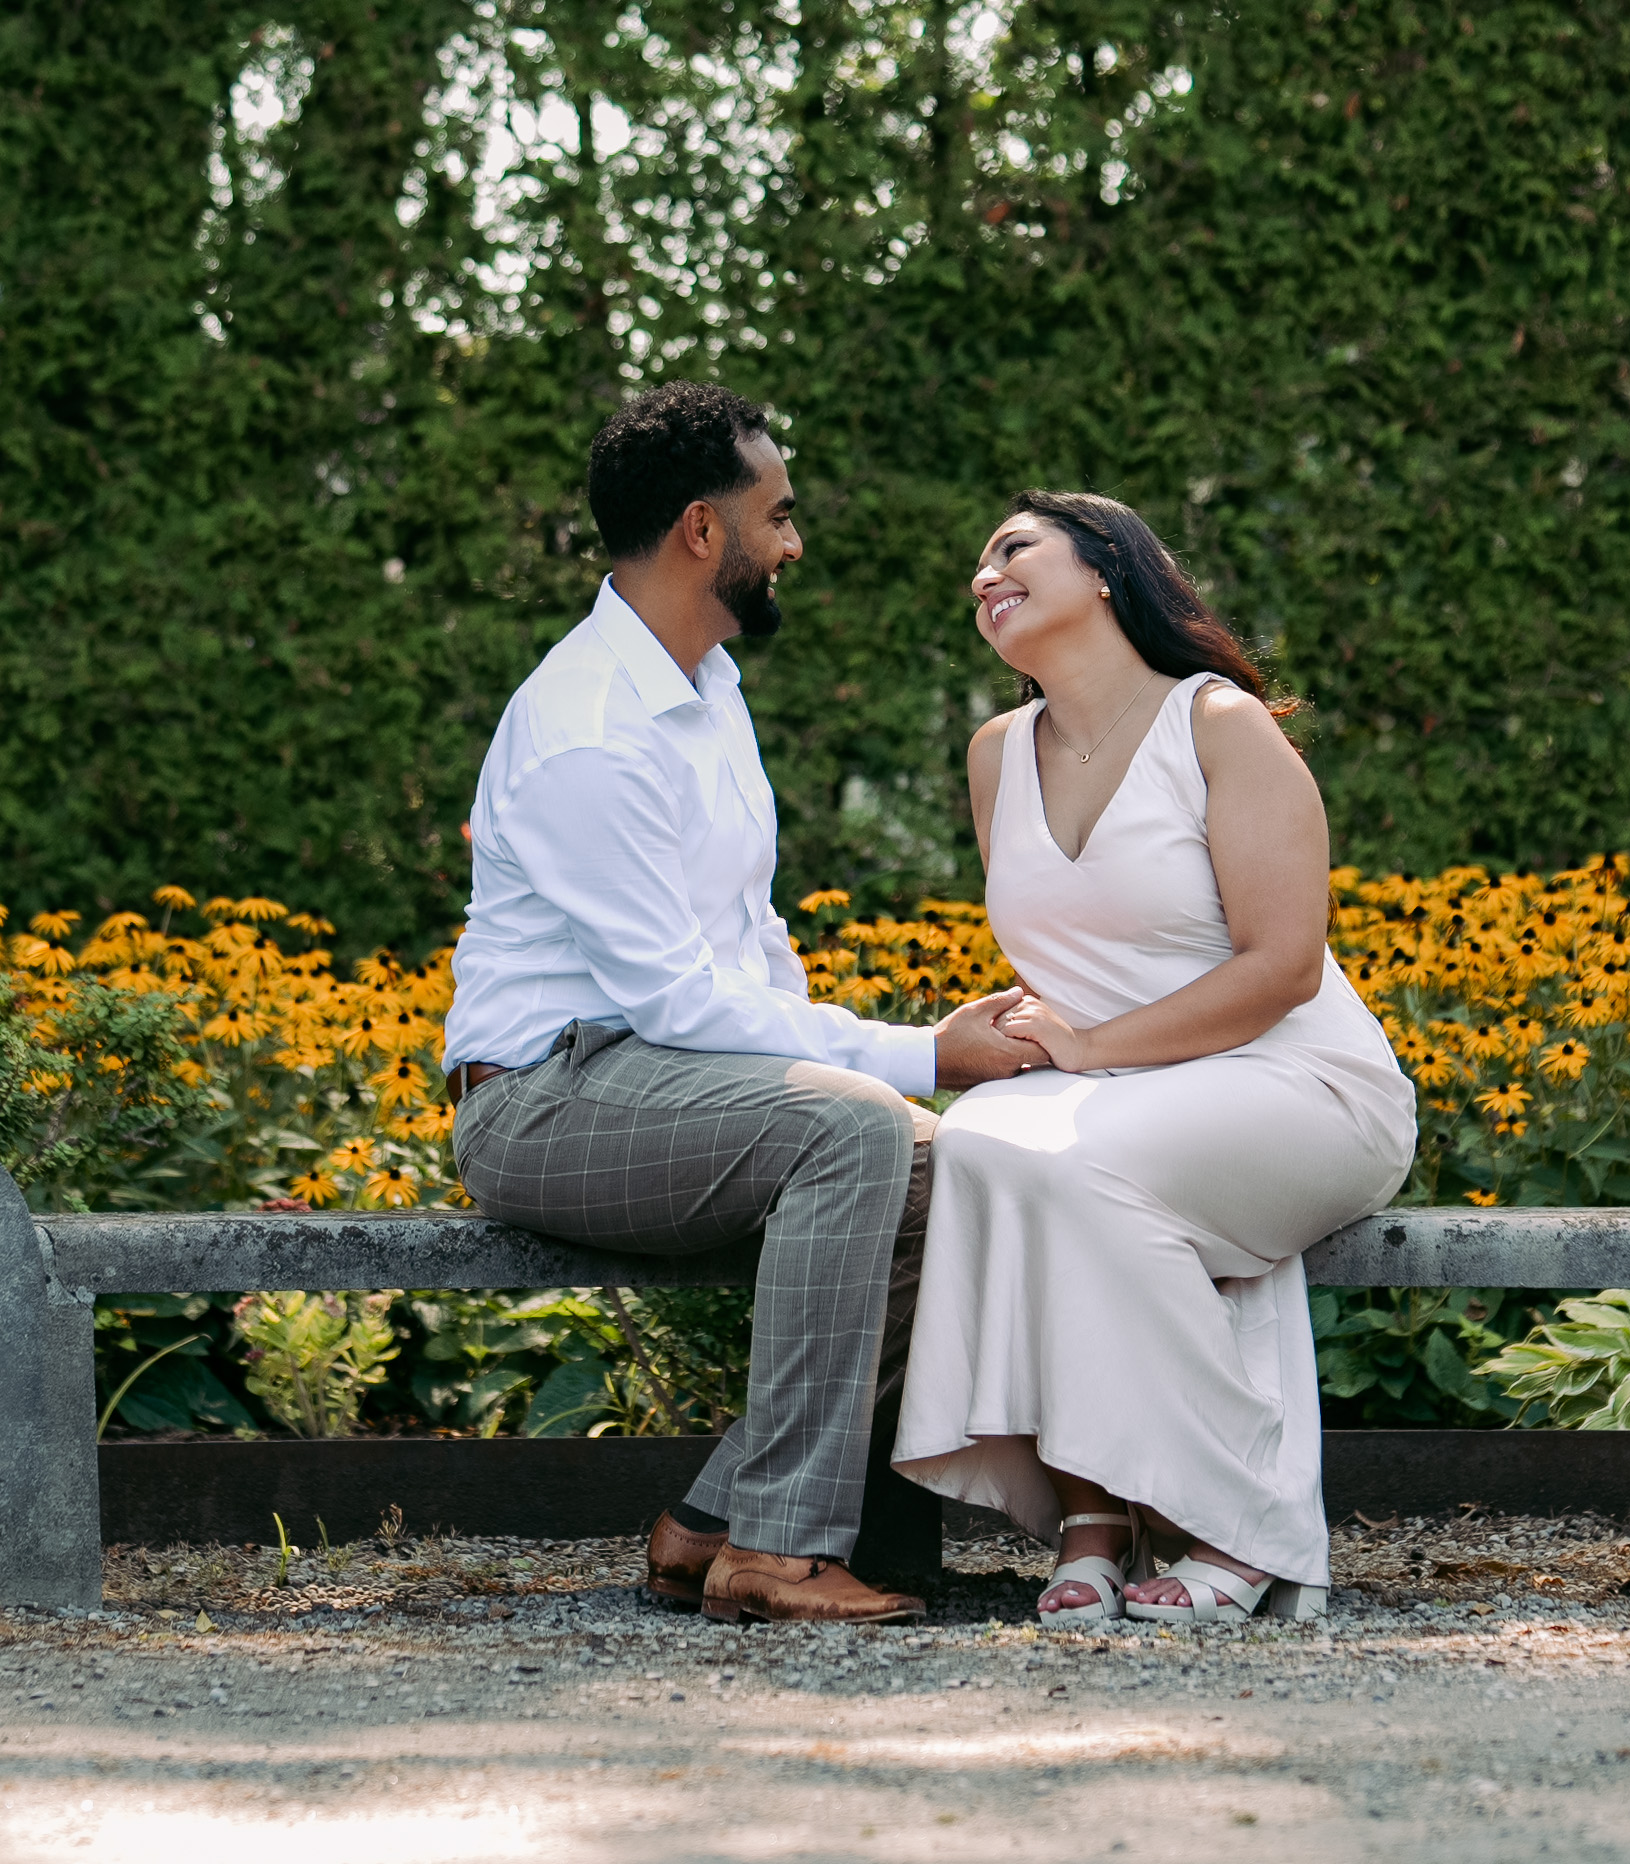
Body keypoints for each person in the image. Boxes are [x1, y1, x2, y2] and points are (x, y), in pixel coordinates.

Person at [445, 384, 1051, 1627]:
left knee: (955, 1172)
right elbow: (676, 997)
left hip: (665, 1081)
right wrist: (918, 1055)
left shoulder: (705, 683)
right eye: (776, 514)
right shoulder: (590, 730)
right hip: (545, 1102)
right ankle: (774, 1550)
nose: (795, 542)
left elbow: (749, 937)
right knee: (862, 1128)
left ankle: (709, 1523)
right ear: (700, 530)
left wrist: (863, 1074)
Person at [893, 492, 1418, 1627]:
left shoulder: (1219, 723)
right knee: (978, 1146)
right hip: (1116, 1089)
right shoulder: (996, 755)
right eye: (977, 564)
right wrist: (1031, 1038)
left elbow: (1283, 966)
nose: (984, 574)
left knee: (1084, 1167)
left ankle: (1240, 1522)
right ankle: (1094, 1515)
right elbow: (1073, 947)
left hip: (1300, 1081)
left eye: (1013, 548)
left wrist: (1092, 1047)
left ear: (1105, 569)